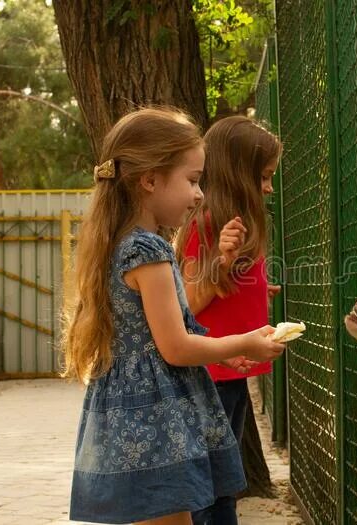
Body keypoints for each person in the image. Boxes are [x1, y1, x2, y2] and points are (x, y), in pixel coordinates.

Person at [62, 108, 285, 525]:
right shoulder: (149, 252)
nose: (200, 194)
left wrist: (219, 356)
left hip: (132, 413)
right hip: (156, 419)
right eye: (193, 180)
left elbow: (151, 337)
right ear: (150, 180)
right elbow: (176, 345)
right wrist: (246, 342)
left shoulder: (122, 244)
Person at [174, 116, 282, 525]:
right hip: (211, 375)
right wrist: (221, 263)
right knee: (210, 485)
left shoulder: (236, 226)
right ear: (239, 173)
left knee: (224, 482)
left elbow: (222, 288)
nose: (269, 188)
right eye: (264, 177)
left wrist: (254, 289)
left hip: (230, 375)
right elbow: (187, 303)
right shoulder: (206, 225)